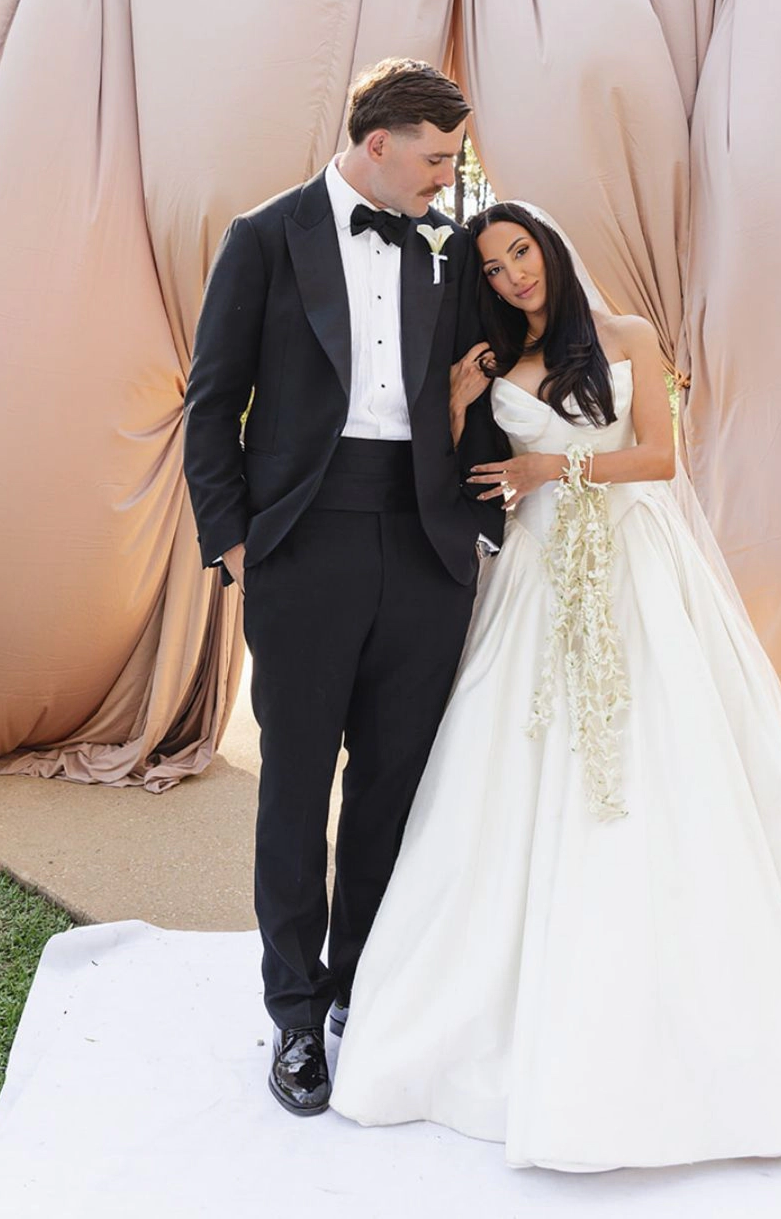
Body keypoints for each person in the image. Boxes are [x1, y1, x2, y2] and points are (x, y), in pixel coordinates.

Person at [330, 201, 781, 1170]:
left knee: (667, 757)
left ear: (548, 248)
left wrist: (554, 466)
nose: (512, 275)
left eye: (520, 252)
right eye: (491, 267)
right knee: (510, 771)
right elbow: (465, 478)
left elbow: (660, 458)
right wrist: (456, 406)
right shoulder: (494, 363)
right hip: (535, 580)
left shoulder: (625, 336)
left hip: (636, 565)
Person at [182, 60, 506, 1117]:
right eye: (437, 157)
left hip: (425, 546)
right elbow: (211, 405)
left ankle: (362, 987)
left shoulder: (448, 248)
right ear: (379, 143)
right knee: (295, 781)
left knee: (392, 782)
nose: (448, 176)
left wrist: (483, 519)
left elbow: (490, 384)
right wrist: (235, 547)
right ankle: (292, 1012)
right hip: (302, 544)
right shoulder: (264, 238)